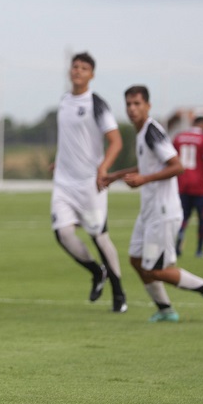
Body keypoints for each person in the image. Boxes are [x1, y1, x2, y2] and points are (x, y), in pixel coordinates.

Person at [106, 86, 203, 323]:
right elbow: (149, 167)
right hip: (149, 211)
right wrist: (116, 175)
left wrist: (143, 180)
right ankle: (165, 309)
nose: (132, 109)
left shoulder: (152, 132)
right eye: (129, 104)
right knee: (137, 260)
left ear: (148, 106)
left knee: (155, 269)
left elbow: (176, 166)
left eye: (137, 103)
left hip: (163, 211)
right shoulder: (142, 134)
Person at [51, 52, 128, 313]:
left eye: (84, 68)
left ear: (92, 74)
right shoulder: (64, 101)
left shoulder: (97, 103)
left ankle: (119, 292)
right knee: (63, 234)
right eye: (75, 67)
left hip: (89, 183)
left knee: (99, 237)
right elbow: (68, 140)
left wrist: (103, 168)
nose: (78, 71)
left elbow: (116, 140)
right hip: (64, 182)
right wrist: (58, 161)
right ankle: (97, 272)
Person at [173, 116, 203, 257]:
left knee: (183, 216)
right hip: (199, 185)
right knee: (202, 217)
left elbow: (171, 160)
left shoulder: (179, 137)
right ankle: (199, 250)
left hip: (181, 183)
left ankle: (179, 239)